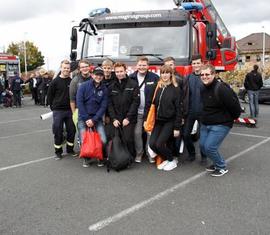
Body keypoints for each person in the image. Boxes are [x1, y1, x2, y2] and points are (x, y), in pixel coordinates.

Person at [199, 64, 241, 176]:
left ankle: (221, 166)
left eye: (207, 74)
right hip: (206, 123)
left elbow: (235, 107)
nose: (204, 76)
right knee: (203, 146)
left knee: (209, 147)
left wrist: (229, 120)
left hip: (221, 124)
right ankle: (215, 162)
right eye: (202, 74)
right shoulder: (202, 88)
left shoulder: (221, 88)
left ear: (214, 74)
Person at [147, 65, 182, 171]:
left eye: (167, 73)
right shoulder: (159, 87)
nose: (165, 75)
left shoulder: (176, 89)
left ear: (171, 74)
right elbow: (153, 105)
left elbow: (178, 109)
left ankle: (172, 160)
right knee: (152, 144)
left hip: (169, 121)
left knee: (160, 144)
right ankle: (167, 159)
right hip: (158, 121)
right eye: (163, 73)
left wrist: (177, 127)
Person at [76, 67, 108, 167]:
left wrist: (94, 120)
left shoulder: (104, 89)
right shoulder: (83, 86)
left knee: (103, 140)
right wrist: (86, 119)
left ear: (102, 76)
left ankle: (99, 157)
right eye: (96, 74)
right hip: (83, 118)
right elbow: (79, 103)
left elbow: (103, 106)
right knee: (84, 140)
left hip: (96, 119)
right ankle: (86, 158)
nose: (98, 77)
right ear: (92, 75)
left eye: (100, 75)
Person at [129, 56, 159, 163]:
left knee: (149, 133)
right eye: (140, 65)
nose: (142, 67)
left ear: (148, 66)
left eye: (144, 65)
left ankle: (149, 153)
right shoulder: (131, 77)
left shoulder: (155, 77)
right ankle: (139, 153)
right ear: (136, 66)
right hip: (137, 112)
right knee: (137, 133)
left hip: (149, 112)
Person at [107, 62, 140, 159]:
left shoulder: (133, 84)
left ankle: (130, 157)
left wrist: (128, 118)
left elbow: (136, 102)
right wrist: (113, 119)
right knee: (114, 138)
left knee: (128, 139)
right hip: (116, 119)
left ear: (125, 71)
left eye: (121, 71)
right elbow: (110, 104)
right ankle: (118, 157)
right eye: (117, 72)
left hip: (129, 118)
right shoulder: (112, 86)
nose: (119, 73)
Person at [47, 60, 76, 160]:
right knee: (58, 130)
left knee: (71, 130)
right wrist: (53, 108)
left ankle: (70, 149)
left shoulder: (72, 81)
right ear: (61, 68)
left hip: (69, 110)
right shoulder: (55, 82)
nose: (66, 70)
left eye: (68, 68)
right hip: (58, 111)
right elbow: (50, 96)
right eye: (64, 68)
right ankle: (58, 152)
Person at [182, 54, 207, 163]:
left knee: (203, 137)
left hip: (203, 113)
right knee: (186, 135)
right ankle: (191, 154)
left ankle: (203, 156)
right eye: (194, 63)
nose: (196, 65)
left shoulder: (206, 76)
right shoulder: (188, 78)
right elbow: (184, 95)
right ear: (191, 65)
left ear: (202, 63)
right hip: (190, 112)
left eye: (198, 63)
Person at [69, 59, 92, 145]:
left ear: (89, 67)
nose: (85, 68)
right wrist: (74, 113)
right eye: (82, 67)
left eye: (86, 66)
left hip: (92, 110)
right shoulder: (75, 81)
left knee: (92, 132)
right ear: (79, 69)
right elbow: (72, 99)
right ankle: (84, 149)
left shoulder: (94, 78)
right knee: (82, 133)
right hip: (80, 111)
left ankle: (92, 150)